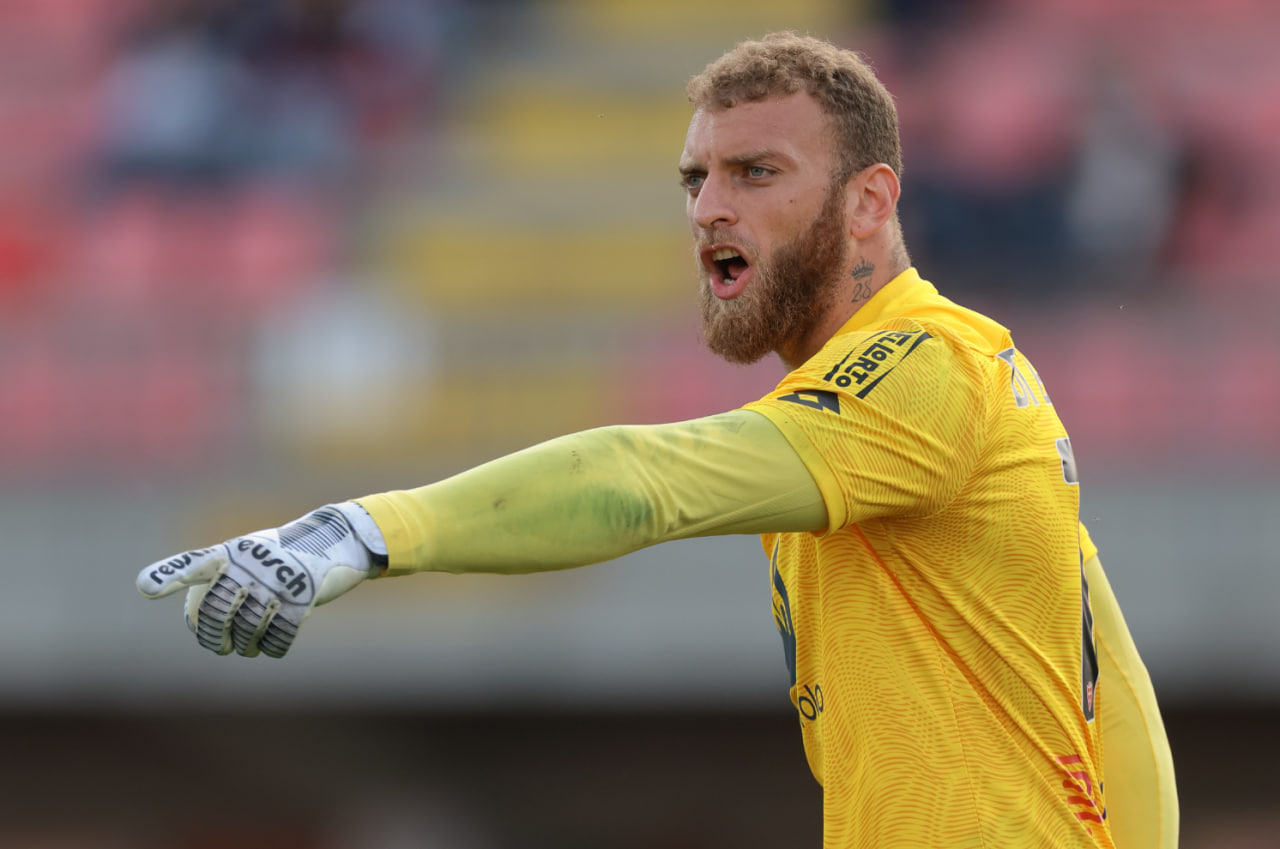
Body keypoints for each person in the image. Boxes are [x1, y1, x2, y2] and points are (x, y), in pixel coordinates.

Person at [137, 32, 1177, 849]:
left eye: (756, 173)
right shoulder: (911, 399)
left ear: (868, 203)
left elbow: (644, 481)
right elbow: (1110, 686)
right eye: (696, 180)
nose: (710, 210)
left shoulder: (923, 367)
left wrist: (361, 530)